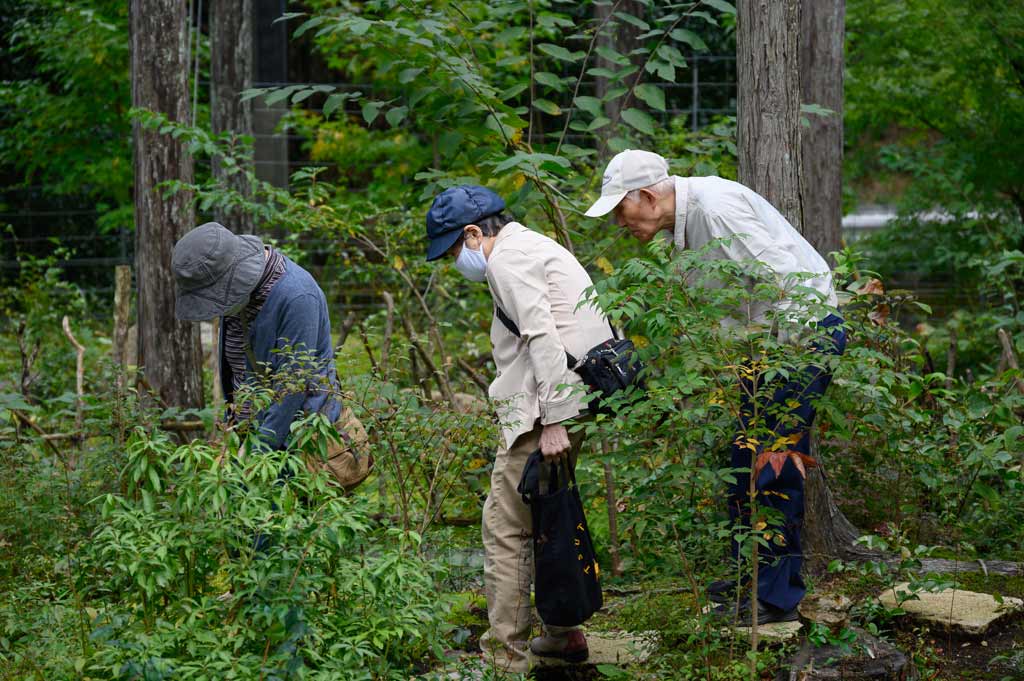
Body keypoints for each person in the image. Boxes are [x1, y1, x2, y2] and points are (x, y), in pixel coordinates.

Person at [585, 150, 847, 625]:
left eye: (620, 211)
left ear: (646, 196)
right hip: (766, 351)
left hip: (798, 341)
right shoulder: (687, 224)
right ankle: (750, 576)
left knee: (773, 463)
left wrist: (773, 368)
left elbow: (788, 283)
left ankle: (775, 598)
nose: (619, 225)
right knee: (742, 461)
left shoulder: (715, 210)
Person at [424, 185, 610, 674]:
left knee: (504, 529)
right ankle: (562, 636)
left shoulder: (507, 258)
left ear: (472, 233)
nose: (453, 264)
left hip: (545, 411)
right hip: (570, 400)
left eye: (451, 252)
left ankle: (503, 656)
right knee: (549, 517)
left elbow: (541, 334)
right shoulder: (537, 246)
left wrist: (551, 420)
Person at [172, 222, 341, 450]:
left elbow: (291, 389)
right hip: (249, 436)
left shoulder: (297, 297)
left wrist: (258, 456)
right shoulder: (239, 296)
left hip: (297, 441)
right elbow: (240, 373)